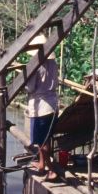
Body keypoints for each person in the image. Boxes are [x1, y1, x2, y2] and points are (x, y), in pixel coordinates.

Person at [23, 34, 59, 180]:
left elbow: (30, 88)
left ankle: (51, 170)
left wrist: (24, 81)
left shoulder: (35, 66)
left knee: (42, 141)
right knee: (46, 138)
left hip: (41, 107)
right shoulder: (53, 63)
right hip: (52, 105)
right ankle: (42, 164)